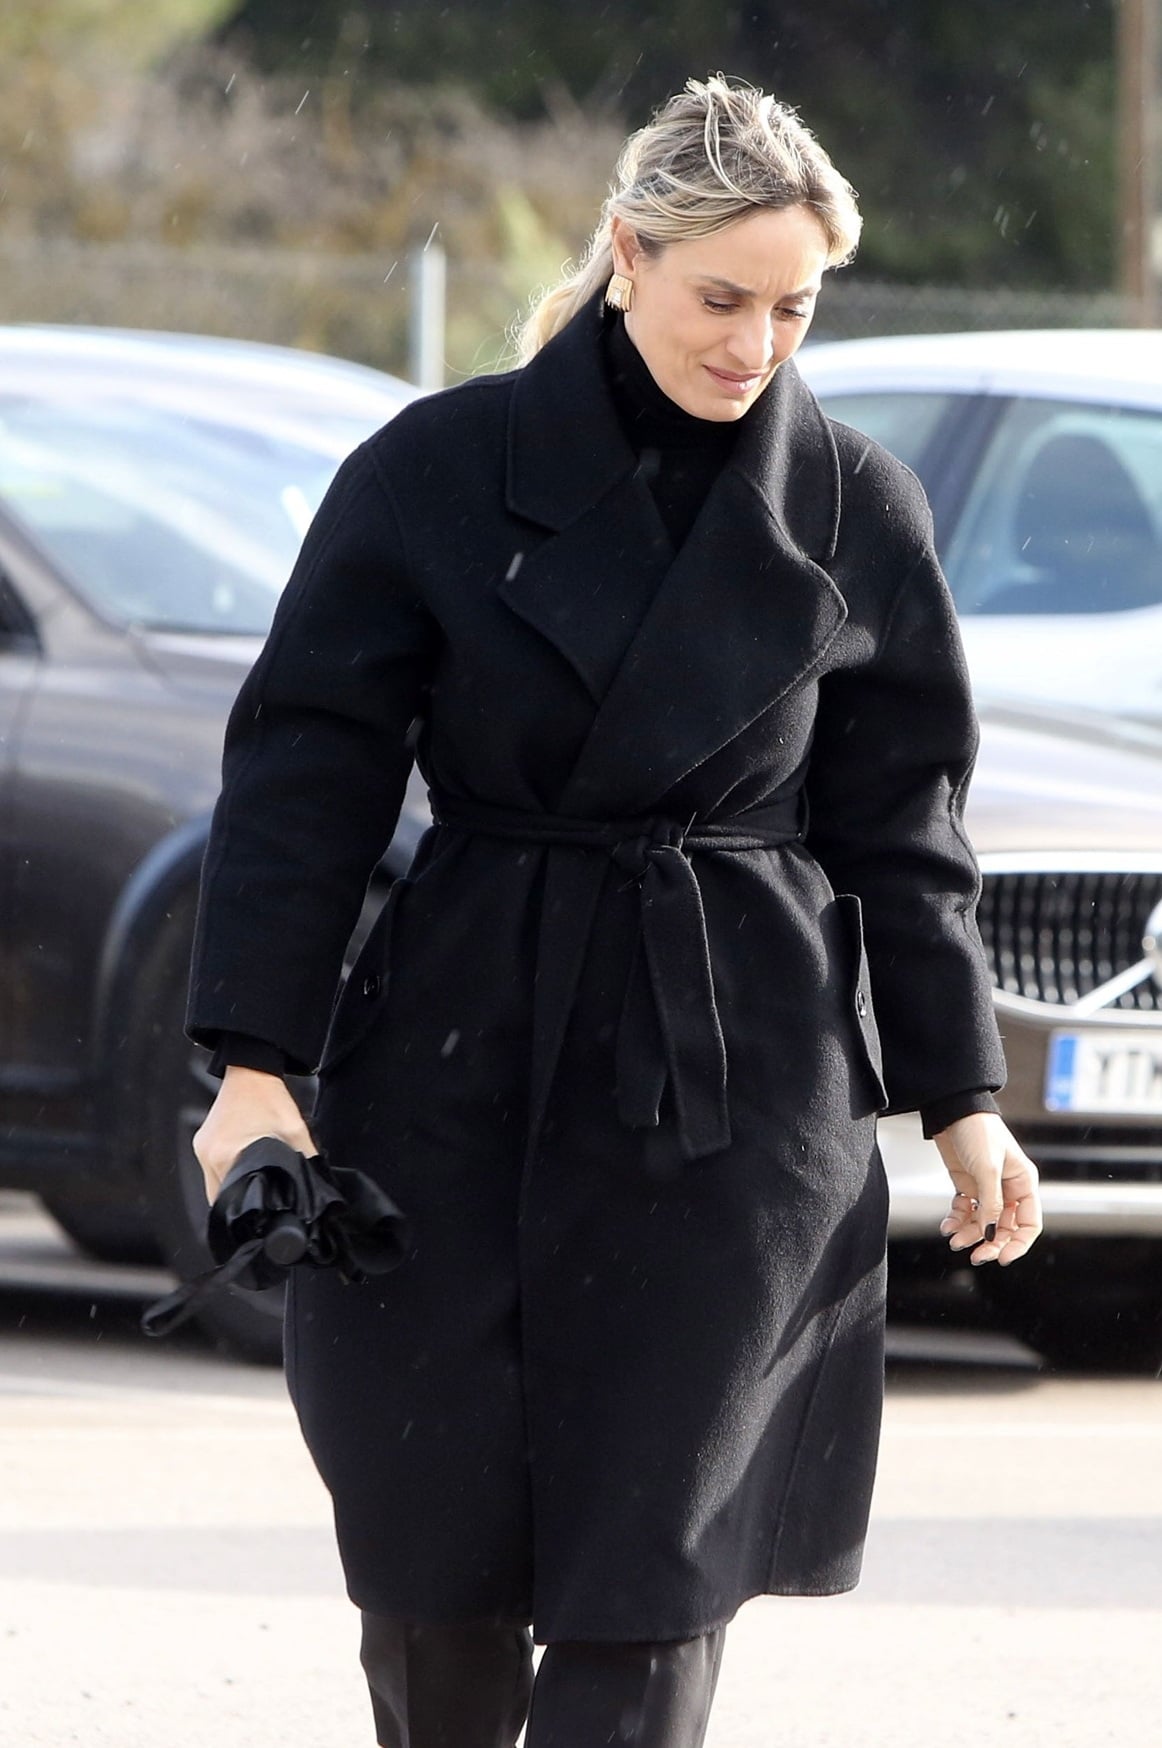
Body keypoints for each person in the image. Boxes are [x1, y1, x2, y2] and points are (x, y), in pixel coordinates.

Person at [189, 73, 1042, 1748]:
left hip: (731, 1083)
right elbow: (304, 778)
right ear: (626, 254)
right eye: (721, 299)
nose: (754, 346)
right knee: (431, 1550)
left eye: (793, 309)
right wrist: (252, 1069)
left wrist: (960, 1099)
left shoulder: (854, 505)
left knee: (653, 1567)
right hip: (454, 1054)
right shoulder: (436, 471)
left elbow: (903, 826)